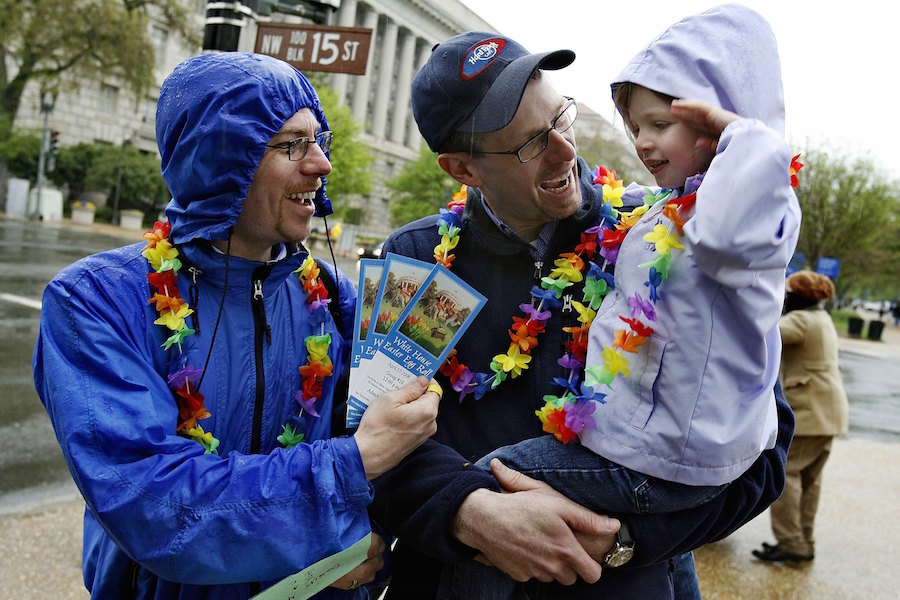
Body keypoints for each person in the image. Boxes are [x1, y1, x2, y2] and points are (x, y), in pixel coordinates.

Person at [369, 18, 795, 600]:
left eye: (561, 118)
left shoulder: (661, 237)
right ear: (463, 170)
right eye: (530, 143)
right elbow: (376, 446)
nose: (567, 151)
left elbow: (760, 449)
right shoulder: (416, 262)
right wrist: (466, 512)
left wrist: (623, 538)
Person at [32, 52, 441, 599]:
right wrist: (348, 472)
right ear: (222, 157)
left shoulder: (338, 301)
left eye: (319, 141)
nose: (321, 165)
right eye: (291, 145)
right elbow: (153, 504)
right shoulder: (96, 301)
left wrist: (366, 539)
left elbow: (398, 462)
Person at [753, 271, 849, 563]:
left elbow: (762, 330)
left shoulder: (801, 321)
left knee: (789, 474)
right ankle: (804, 540)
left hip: (811, 410)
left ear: (798, 296)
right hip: (830, 412)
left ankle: (792, 543)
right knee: (810, 480)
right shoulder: (822, 318)